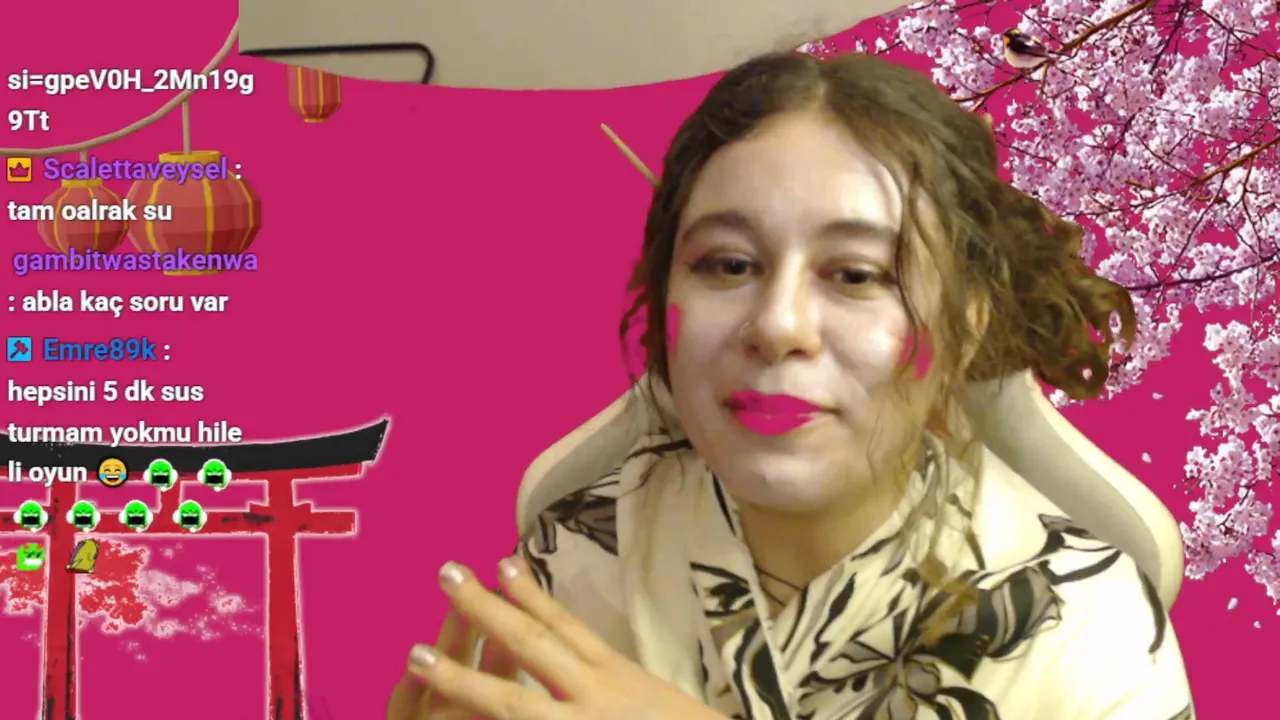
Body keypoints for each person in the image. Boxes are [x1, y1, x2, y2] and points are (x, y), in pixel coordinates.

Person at [388, 51, 1196, 719]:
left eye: (856, 274)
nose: (777, 325)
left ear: (964, 329)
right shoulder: (575, 563)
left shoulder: (1087, 630)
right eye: (728, 264)